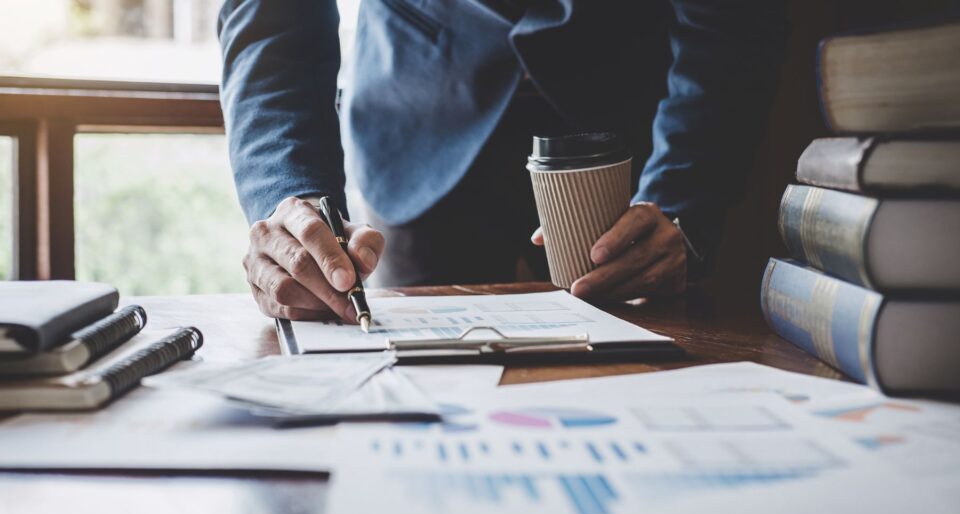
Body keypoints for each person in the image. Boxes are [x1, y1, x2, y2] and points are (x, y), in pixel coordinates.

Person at [218, 0, 787, 321]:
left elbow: (731, 21)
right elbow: (273, 18)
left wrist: (685, 204)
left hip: (635, 135)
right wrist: (289, 199)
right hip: (417, 118)